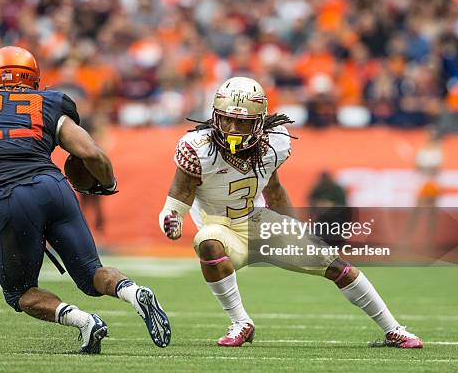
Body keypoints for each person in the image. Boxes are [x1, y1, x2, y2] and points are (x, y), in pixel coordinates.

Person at [159, 76, 422, 348]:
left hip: (256, 221)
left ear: (259, 122)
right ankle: (241, 322)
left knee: (337, 267)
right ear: (215, 117)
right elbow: (176, 200)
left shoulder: (273, 144)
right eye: (226, 119)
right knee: (208, 242)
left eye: (242, 121)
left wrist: (294, 226)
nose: (232, 128)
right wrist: (172, 219)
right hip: (221, 228)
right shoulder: (198, 148)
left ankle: (394, 329)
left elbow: (273, 188)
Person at [0, 46, 170, 354]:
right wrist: (107, 183)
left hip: (12, 198)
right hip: (56, 189)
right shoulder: (48, 103)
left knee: (19, 293)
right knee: (92, 274)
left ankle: (84, 322)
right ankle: (133, 291)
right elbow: (92, 153)